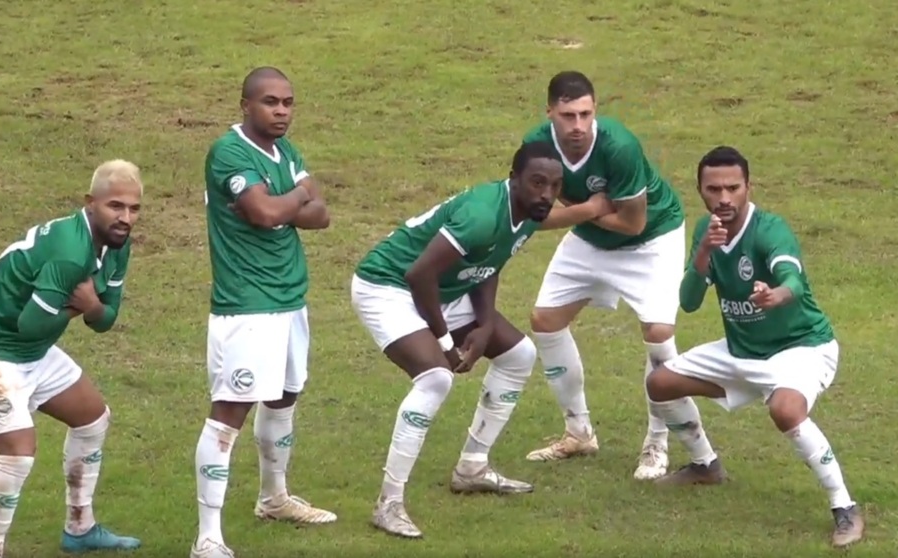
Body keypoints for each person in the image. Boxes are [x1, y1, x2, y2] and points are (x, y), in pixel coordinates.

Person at [350, 140, 614, 538]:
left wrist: (486, 325)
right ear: (514, 179)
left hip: (444, 289)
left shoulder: (529, 212)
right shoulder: (481, 215)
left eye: (555, 185)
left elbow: (488, 264)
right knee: (436, 379)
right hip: (388, 286)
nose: (547, 194)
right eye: (537, 182)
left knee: (519, 355)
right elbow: (419, 274)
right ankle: (388, 503)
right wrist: (445, 343)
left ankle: (472, 467)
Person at [645, 145, 864, 548]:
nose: (724, 198)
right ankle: (705, 465)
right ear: (700, 190)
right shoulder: (706, 231)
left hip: (801, 347)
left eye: (733, 188)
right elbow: (689, 302)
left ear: (748, 187)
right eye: (714, 189)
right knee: (660, 383)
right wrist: (705, 251)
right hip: (742, 350)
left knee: (785, 410)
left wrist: (777, 294)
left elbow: (793, 281)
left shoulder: (769, 230)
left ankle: (844, 505)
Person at [0, 160, 144, 558]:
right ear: (90, 202)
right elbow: (31, 324)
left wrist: (91, 306)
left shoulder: (117, 244)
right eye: (115, 206)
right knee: (17, 455)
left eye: (134, 208)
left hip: (32, 351)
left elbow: (106, 319)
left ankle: (80, 529)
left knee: (92, 418)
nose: (125, 218)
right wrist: (84, 307)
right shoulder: (70, 253)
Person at [192, 67, 334, 558]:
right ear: (246, 105)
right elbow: (267, 213)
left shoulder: (285, 151)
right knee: (229, 413)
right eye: (270, 102)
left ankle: (274, 498)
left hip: (290, 298)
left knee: (285, 395)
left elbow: (321, 214)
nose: (281, 111)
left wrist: (281, 203)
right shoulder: (229, 152)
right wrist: (293, 199)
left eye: (288, 103)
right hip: (246, 305)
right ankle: (207, 537)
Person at [521, 70, 688, 480]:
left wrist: (579, 212)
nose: (578, 125)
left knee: (659, 334)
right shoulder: (536, 147)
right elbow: (532, 217)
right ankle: (578, 433)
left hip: (652, 239)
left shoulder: (619, 146)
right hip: (591, 237)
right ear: (549, 113)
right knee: (545, 320)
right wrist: (592, 209)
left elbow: (632, 223)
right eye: (568, 116)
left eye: (585, 114)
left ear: (596, 109)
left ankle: (657, 442)